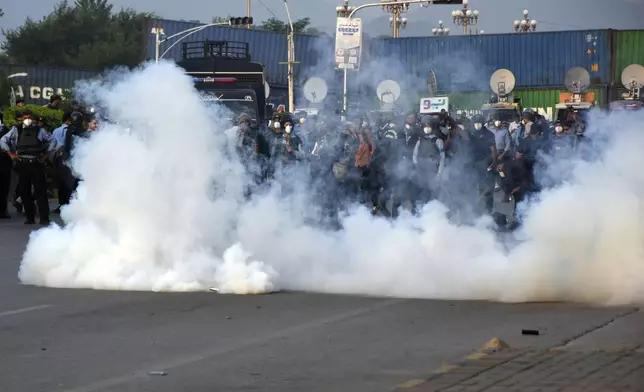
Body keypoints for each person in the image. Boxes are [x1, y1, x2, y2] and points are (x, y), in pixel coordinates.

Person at [0, 110, 53, 225]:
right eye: (25, 117)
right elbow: (3, 141)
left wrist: (45, 155)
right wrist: (11, 155)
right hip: (22, 163)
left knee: (40, 192)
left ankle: (44, 218)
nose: (26, 120)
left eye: (29, 117)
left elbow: (53, 141)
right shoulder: (16, 129)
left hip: (36, 163)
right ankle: (30, 217)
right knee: (25, 191)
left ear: (33, 118)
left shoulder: (40, 130)